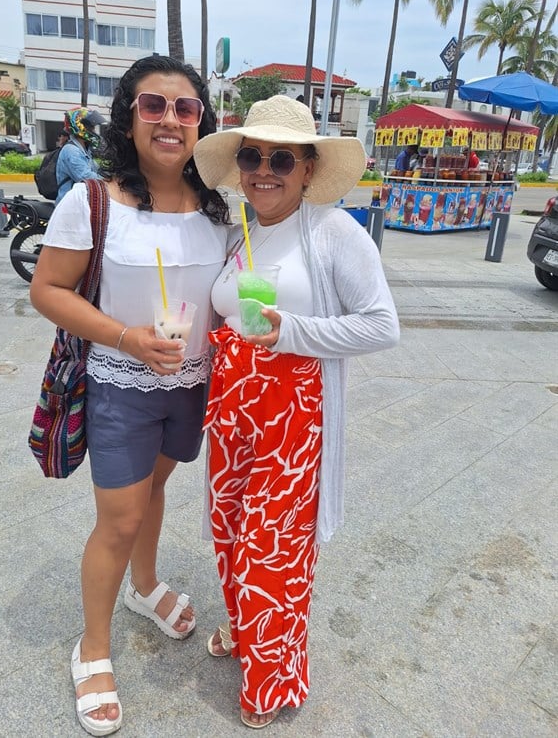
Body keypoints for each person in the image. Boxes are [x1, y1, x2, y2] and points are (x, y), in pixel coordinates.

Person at [30, 55, 230, 737]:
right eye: (154, 105)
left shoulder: (219, 209)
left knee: (153, 491)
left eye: (185, 108)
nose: (171, 119)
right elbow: (47, 291)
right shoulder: (92, 202)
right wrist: (125, 337)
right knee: (117, 517)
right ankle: (91, 646)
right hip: (122, 385)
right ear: (130, 115)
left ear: (202, 121)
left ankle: (144, 588)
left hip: (192, 386)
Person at [192, 96, 400, 729]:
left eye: (281, 158)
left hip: (293, 425)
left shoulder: (335, 232)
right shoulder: (240, 231)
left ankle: (273, 681)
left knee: (274, 551)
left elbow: (381, 326)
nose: (264, 170)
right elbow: (225, 313)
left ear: (308, 168)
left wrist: (290, 331)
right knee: (230, 535)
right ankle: (247, 632)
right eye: (252, 156)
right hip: (232, 417)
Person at [55, 107, 105, 203]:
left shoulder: (84, 150)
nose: (94, 131)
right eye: (91, 127)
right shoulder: (71, 151)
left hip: (82, 204)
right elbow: (87, 177)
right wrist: (110, 183)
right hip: (69, 208)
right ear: (80, 127)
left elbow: (97, 170)